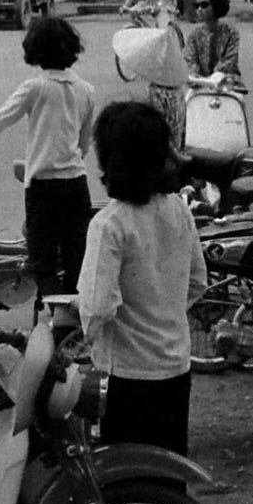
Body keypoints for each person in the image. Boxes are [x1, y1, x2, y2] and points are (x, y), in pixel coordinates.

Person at [77, 101, 209, 455]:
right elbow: (198, 280)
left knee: (127, 476)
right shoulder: (178, 208)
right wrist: (163, 310)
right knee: (167, 470)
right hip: (175, 365)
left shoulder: (109, 225)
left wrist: (81, 341)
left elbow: (97, 307)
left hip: (127, 375)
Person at [0, 15, 98, 296]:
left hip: (44, 186)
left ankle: (54, 321)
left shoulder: (35, 87)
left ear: (35, 50)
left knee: (42, 264)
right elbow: (84, 143)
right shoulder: (87, 90)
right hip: (77, 184)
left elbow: (2, 118)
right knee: (75, 260)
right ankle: (72, 325)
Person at [184, 0, 242, 89]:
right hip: (200, 82)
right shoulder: (194, 36)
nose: (199, 9)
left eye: (204, 5)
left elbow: (229, 60)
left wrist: (215, 77)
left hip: (227, 81)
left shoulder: (231, 32)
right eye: (196, 6)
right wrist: (195, 75)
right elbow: (190, 60)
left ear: (216, 6)